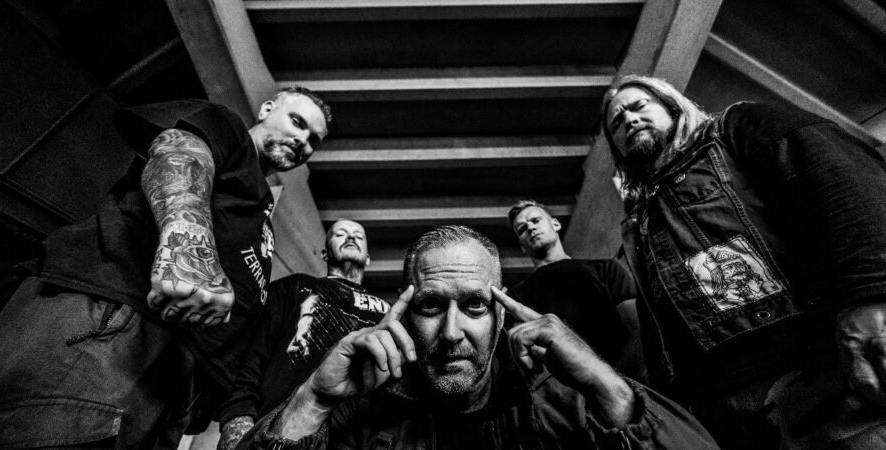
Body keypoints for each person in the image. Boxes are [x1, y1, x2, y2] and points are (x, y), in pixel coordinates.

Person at [0, 87, 331, 448]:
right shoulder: (228, 130)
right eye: (297, 122)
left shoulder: (260, 209)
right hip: (115, 333)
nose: (303, 141)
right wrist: (189, 245)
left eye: (314, 141)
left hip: (169, 386)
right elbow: (179, 152)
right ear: (267, 108)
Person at [237, 225, 718, 449]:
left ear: (500, 315)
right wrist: (314, 399)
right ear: (404, 314)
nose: (452, 333)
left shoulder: (557, 398)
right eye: (431, 306)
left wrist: (602, 380)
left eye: (474, 306)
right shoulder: (366, 408)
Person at [601, 74, 886, 448]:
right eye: (617, 122)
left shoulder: (733, 128)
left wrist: (872, 292)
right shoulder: (640, 223)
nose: (629, 119)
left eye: (639, 106)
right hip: (723, 414)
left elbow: (843, 176)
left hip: (819, 370)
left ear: (672, 106)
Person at [217, 219, 390, 450]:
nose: (350, 237)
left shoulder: (389, 312)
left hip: (353, 437)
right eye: (340, 234)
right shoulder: (295, 286)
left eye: (358, 236)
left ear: (368, 258)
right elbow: (250, 359)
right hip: (279, 432)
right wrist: (238, 427)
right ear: (325, 254)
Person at [507, 200, 641, 375]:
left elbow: (638, 329)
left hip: (624, 377)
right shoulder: (516, 297)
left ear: (555, 224)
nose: (530, 228)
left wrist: (621, 379)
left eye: (536, 220)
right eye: (522, 229)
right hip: (563, 386)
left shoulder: (605, 268)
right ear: (522, 247)